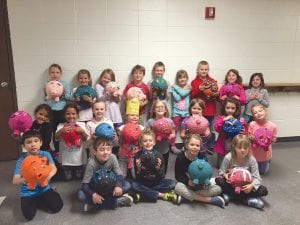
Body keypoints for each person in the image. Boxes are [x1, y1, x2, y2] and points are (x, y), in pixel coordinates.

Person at [12, 130, 63, 220]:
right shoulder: (21, 160)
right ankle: (37, 200)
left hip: (44, 188)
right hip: (28, 192)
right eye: (29, 142)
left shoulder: (45, 154)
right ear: (23, 146)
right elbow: (15, 180)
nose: (33, 144)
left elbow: (53, 168)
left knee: (57, 207)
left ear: (40, 143)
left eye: (36, 141)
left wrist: (47, 177)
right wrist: (28, 178)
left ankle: (51, 192)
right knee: (29, 216)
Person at [77, 137, 132, 211]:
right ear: (95, 152)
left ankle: (94, 205)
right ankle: (116, 202)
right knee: (81, 195)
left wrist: (118, 186)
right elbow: (85, 184)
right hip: (97, 188)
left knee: (127, 185)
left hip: (111, 187)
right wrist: (94, 194)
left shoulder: (112, 157)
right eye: (102, 150)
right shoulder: (91, 163)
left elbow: (119, 175)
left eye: (108, 149)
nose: (106, 152)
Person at [215, 134, 268, 209]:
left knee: (263, 190)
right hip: (232, 185)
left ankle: (231, 196)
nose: (242, 150)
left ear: (248, 148)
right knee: (219, 180)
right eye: (239, 147)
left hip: (245, 186)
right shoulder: (228, 157)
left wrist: (251, 186)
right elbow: (221, 172)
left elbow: (257, 178)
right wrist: (225, 175)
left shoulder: (252, 160)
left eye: (245, 148)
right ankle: (247, 199)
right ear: (234, 148)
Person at [174, 134, 225, 208]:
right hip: (187, 185)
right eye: (192, 145)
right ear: (186, 145)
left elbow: (207, 171)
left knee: (218, 189)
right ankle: (208, 200)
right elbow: (178, 175)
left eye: (197, 145)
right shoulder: (180, 158)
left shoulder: (202, 156)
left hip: (200, 185)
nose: (194, 147)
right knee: (177, 188)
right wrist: (188, 181)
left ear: (200, 147)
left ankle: (187, 197)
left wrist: (205, 181)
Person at [131, 129, 179, 204]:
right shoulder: (137, 156)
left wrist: (157, 169)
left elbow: (162, 176)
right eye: (145, 141)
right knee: (134, 185)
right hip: (143, 183)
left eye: (150, 140)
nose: (148, 143)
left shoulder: (159, 155)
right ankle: (161, 195)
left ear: (154, 142)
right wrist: (139, 169)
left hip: (156, 183)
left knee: (172, 183)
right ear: (140, 143)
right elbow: (138, 177)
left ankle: (143, 194)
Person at [55, 102, 88, 180]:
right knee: (65, 165)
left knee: (80, 165)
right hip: (66, 154)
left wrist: (82, 131)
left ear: (77, 115)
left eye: (73, 113)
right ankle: (67, 170)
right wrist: (61, 131)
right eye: (68, 114)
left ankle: (78, 170)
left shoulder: (82, 125)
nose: (71, 116)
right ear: (64, 115)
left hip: (79, 153)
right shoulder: (61, 125)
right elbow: (56, 137)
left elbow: (86, 138)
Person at [190, 61, 218, 149]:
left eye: (206, 69)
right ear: (198, 70)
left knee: (209, 129)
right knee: (198, 128)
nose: (204, 71)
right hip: (198, 111)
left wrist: (215, 94)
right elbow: (192, 96)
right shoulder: (194, 82)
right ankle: (198, 145)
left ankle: (210, 146)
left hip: (210, 110)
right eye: (202, 69)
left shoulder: (212, 81)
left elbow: (217, 96)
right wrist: (199, 89)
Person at [44, 63, 71, 154]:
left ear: (60, 73)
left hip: (62, 111)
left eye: (57, 72)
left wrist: (61, 94)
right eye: (52, 72)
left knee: (65, 130)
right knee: (54, 132)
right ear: (49, 73)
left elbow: (68, 97)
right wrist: (48, 95)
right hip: (51, 112)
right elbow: (43, 99)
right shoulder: (47, 84)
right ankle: (57, 151)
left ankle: (67, 149)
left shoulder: (64, 84)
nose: (55, 74)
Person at [214, 97, 247, 169]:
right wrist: (223, 120)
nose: (230, 110)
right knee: (221, 166)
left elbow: (245, 132)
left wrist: (244, 132)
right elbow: (216, 128)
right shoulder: (220, 118)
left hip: (235, 145)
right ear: (224, 108)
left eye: (233, 108)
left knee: (234, 165)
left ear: (236, 109)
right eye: (227, 108)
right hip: (223, 145)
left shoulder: (241, 120)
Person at [146, 100, 176, 173]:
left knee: (164, 165)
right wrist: (155, 136)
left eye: (162, 107)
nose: (160, 108)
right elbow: (147, 134)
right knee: (153, 164)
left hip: (165, 148)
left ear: (165, 109)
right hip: (153, 147)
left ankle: (163, 177)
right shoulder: (150, 121)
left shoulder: (169, 121)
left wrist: (169, 136)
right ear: (153, 110)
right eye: (157, 107)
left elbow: (173, 133)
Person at [117, 98, 144, 178]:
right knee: (122, 175)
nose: (135, 117)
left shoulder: (141, 128)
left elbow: (143, 141)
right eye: (132, 115)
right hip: (123, 154)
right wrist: (121, 134)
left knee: (135, 176)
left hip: (135, 155)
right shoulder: (122, 127)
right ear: (126, 117)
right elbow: (119, 141)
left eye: (137, 116)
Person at [248, 104, 277, 175]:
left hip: (265, 153)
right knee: (252, 172)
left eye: (260, 111)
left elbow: (274, 138)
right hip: (254, 152)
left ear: (265, 111)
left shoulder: (273, 126)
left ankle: (268, 160)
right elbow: (249, 136)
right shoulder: (252, 124)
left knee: (262, 172)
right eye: (255, 113)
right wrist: (251, 137)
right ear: (253, 115)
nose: (258, 113)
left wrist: (272, 140)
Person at [171, 69, 190, 154]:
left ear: (187, 78)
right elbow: (178, 98)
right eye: (180, 78)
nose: (182, 79)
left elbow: (182, 94)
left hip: (186, 113)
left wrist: (175, 87)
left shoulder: (189, 87)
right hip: (176, 112)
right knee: (174, 130)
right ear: (177, 79)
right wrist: (175, 89)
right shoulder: (173, 89)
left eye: (184, 77)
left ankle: (185, 145)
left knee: (185, 130)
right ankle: (172, 146)